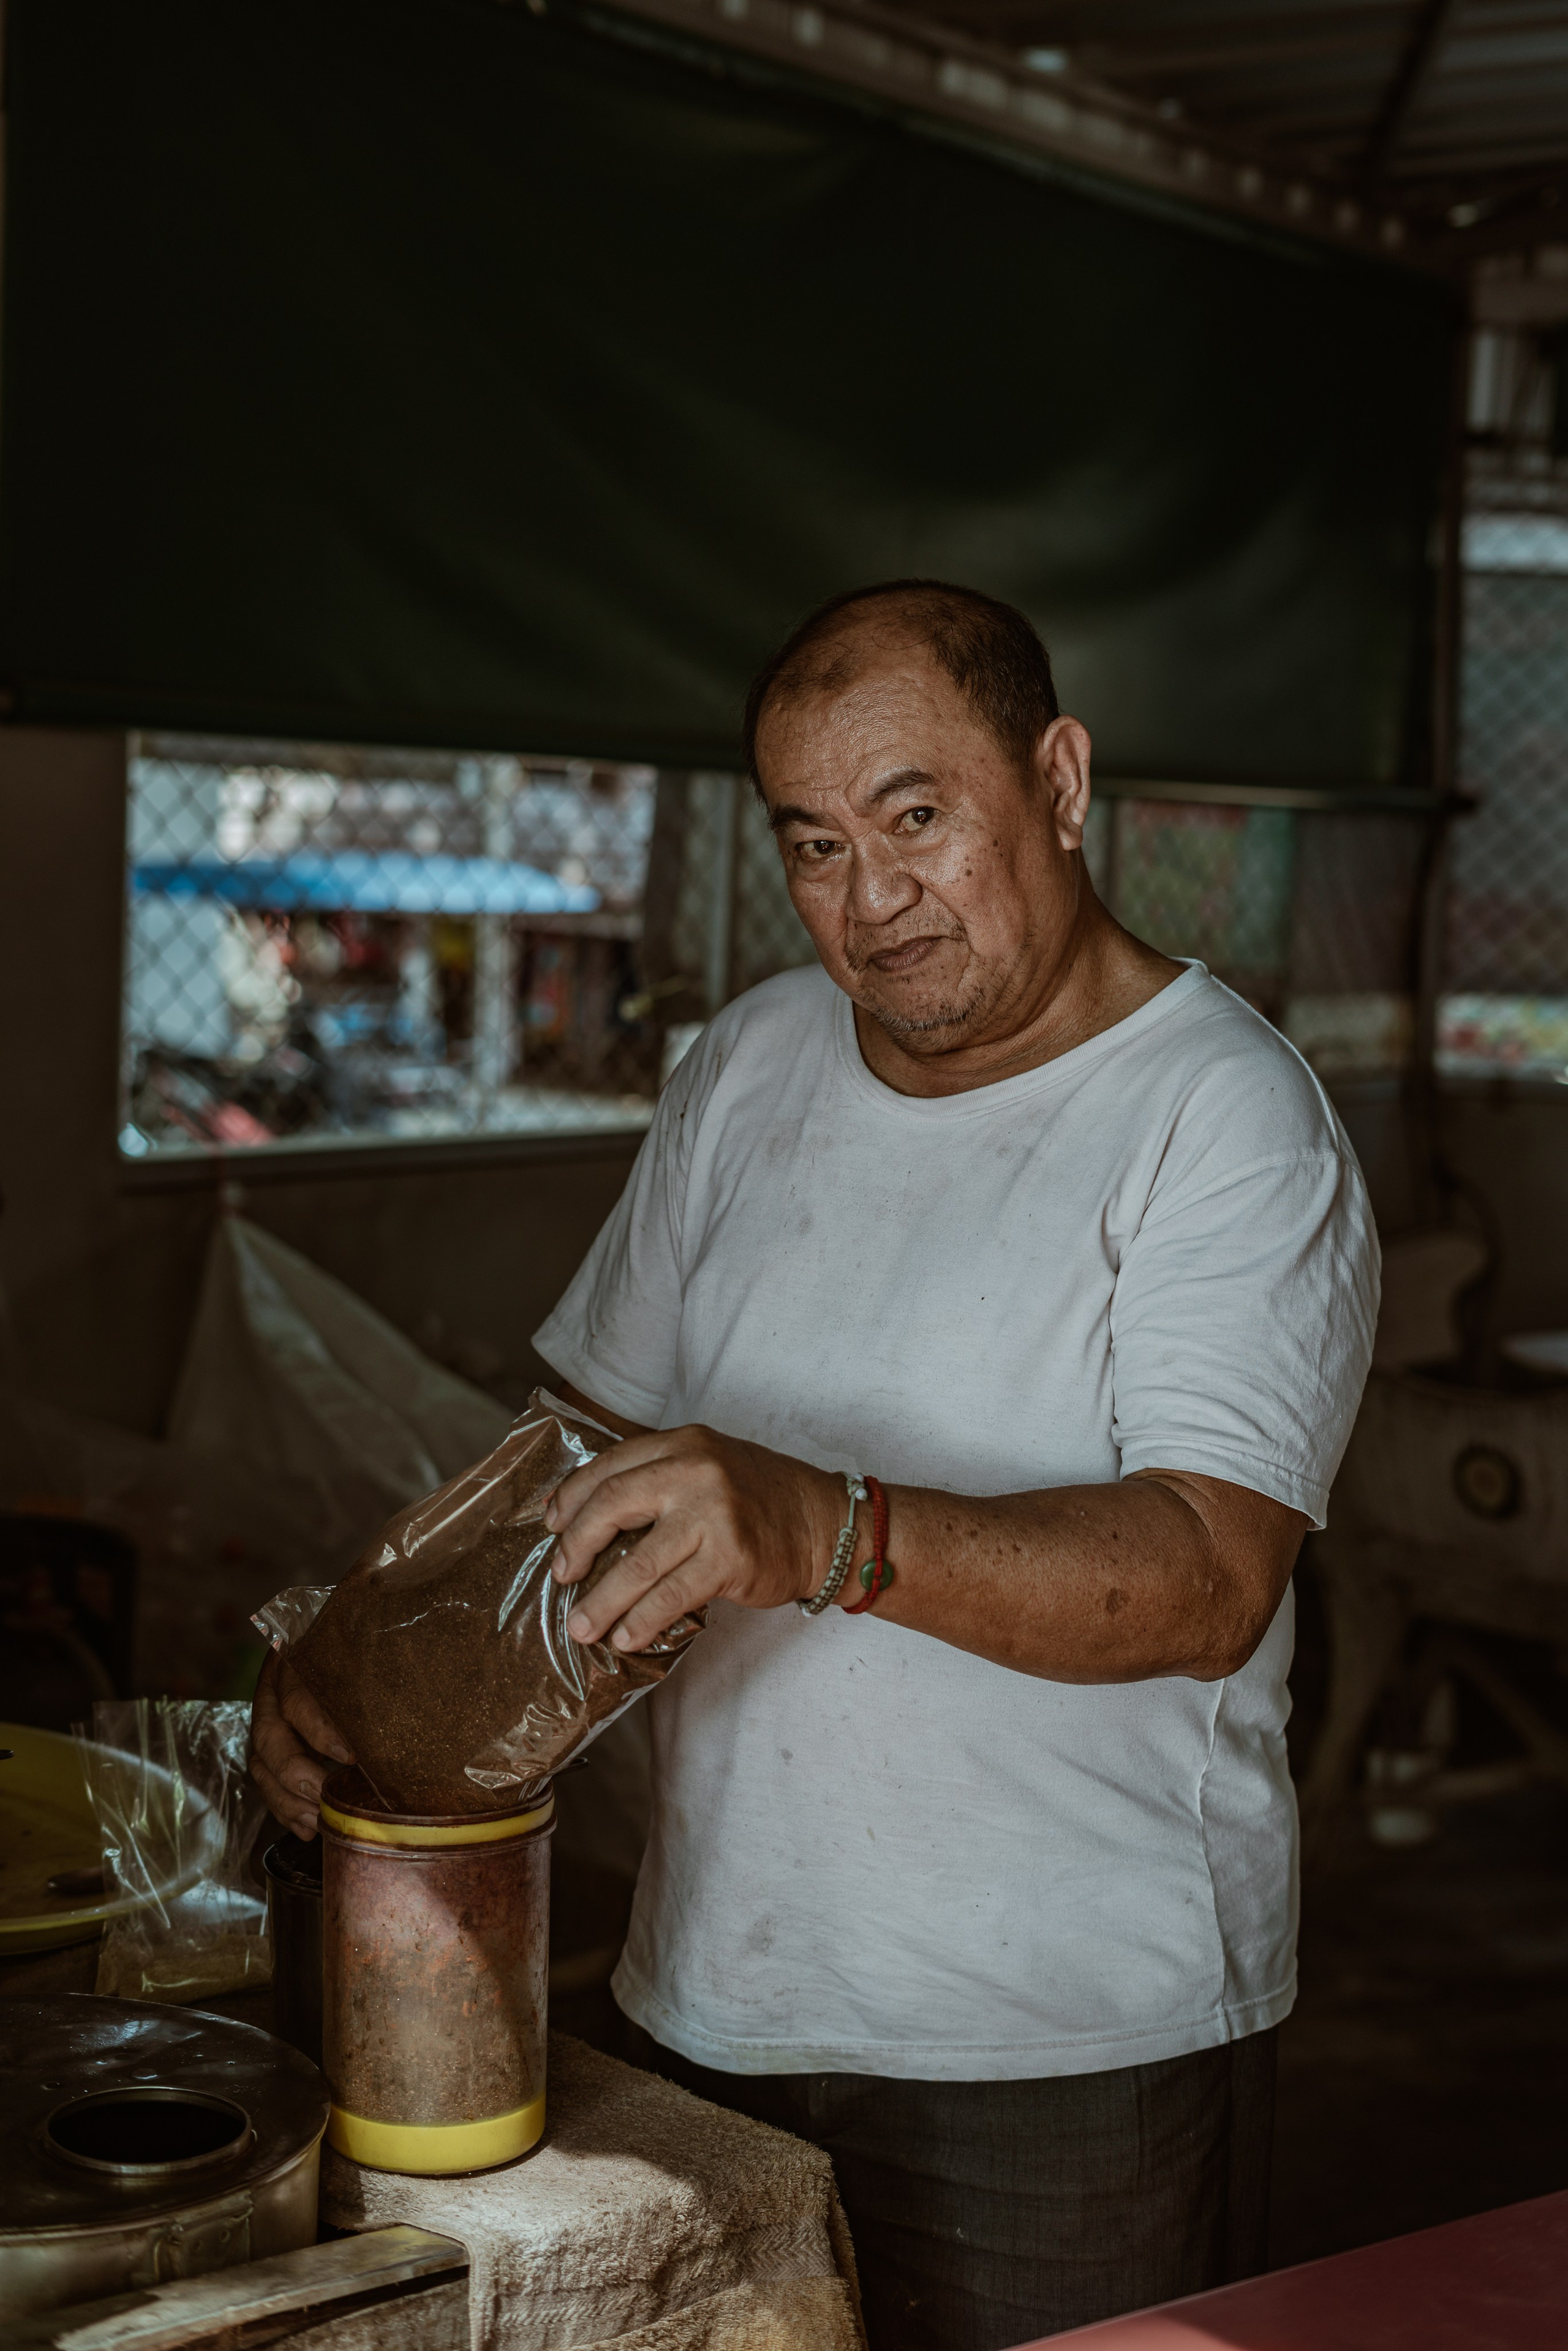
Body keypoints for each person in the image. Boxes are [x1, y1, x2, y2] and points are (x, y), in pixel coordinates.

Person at [253, 579, 1378, 2351]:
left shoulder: (1222, 1118)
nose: (870, 902)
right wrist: (366, 1660)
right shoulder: (758, 1057)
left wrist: (817, 1526)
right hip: (712, 1990)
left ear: (1061, 780)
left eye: (918, 818)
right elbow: (577, 1456)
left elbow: (1207, 1578)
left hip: (1061, 2052)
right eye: (814, 846)